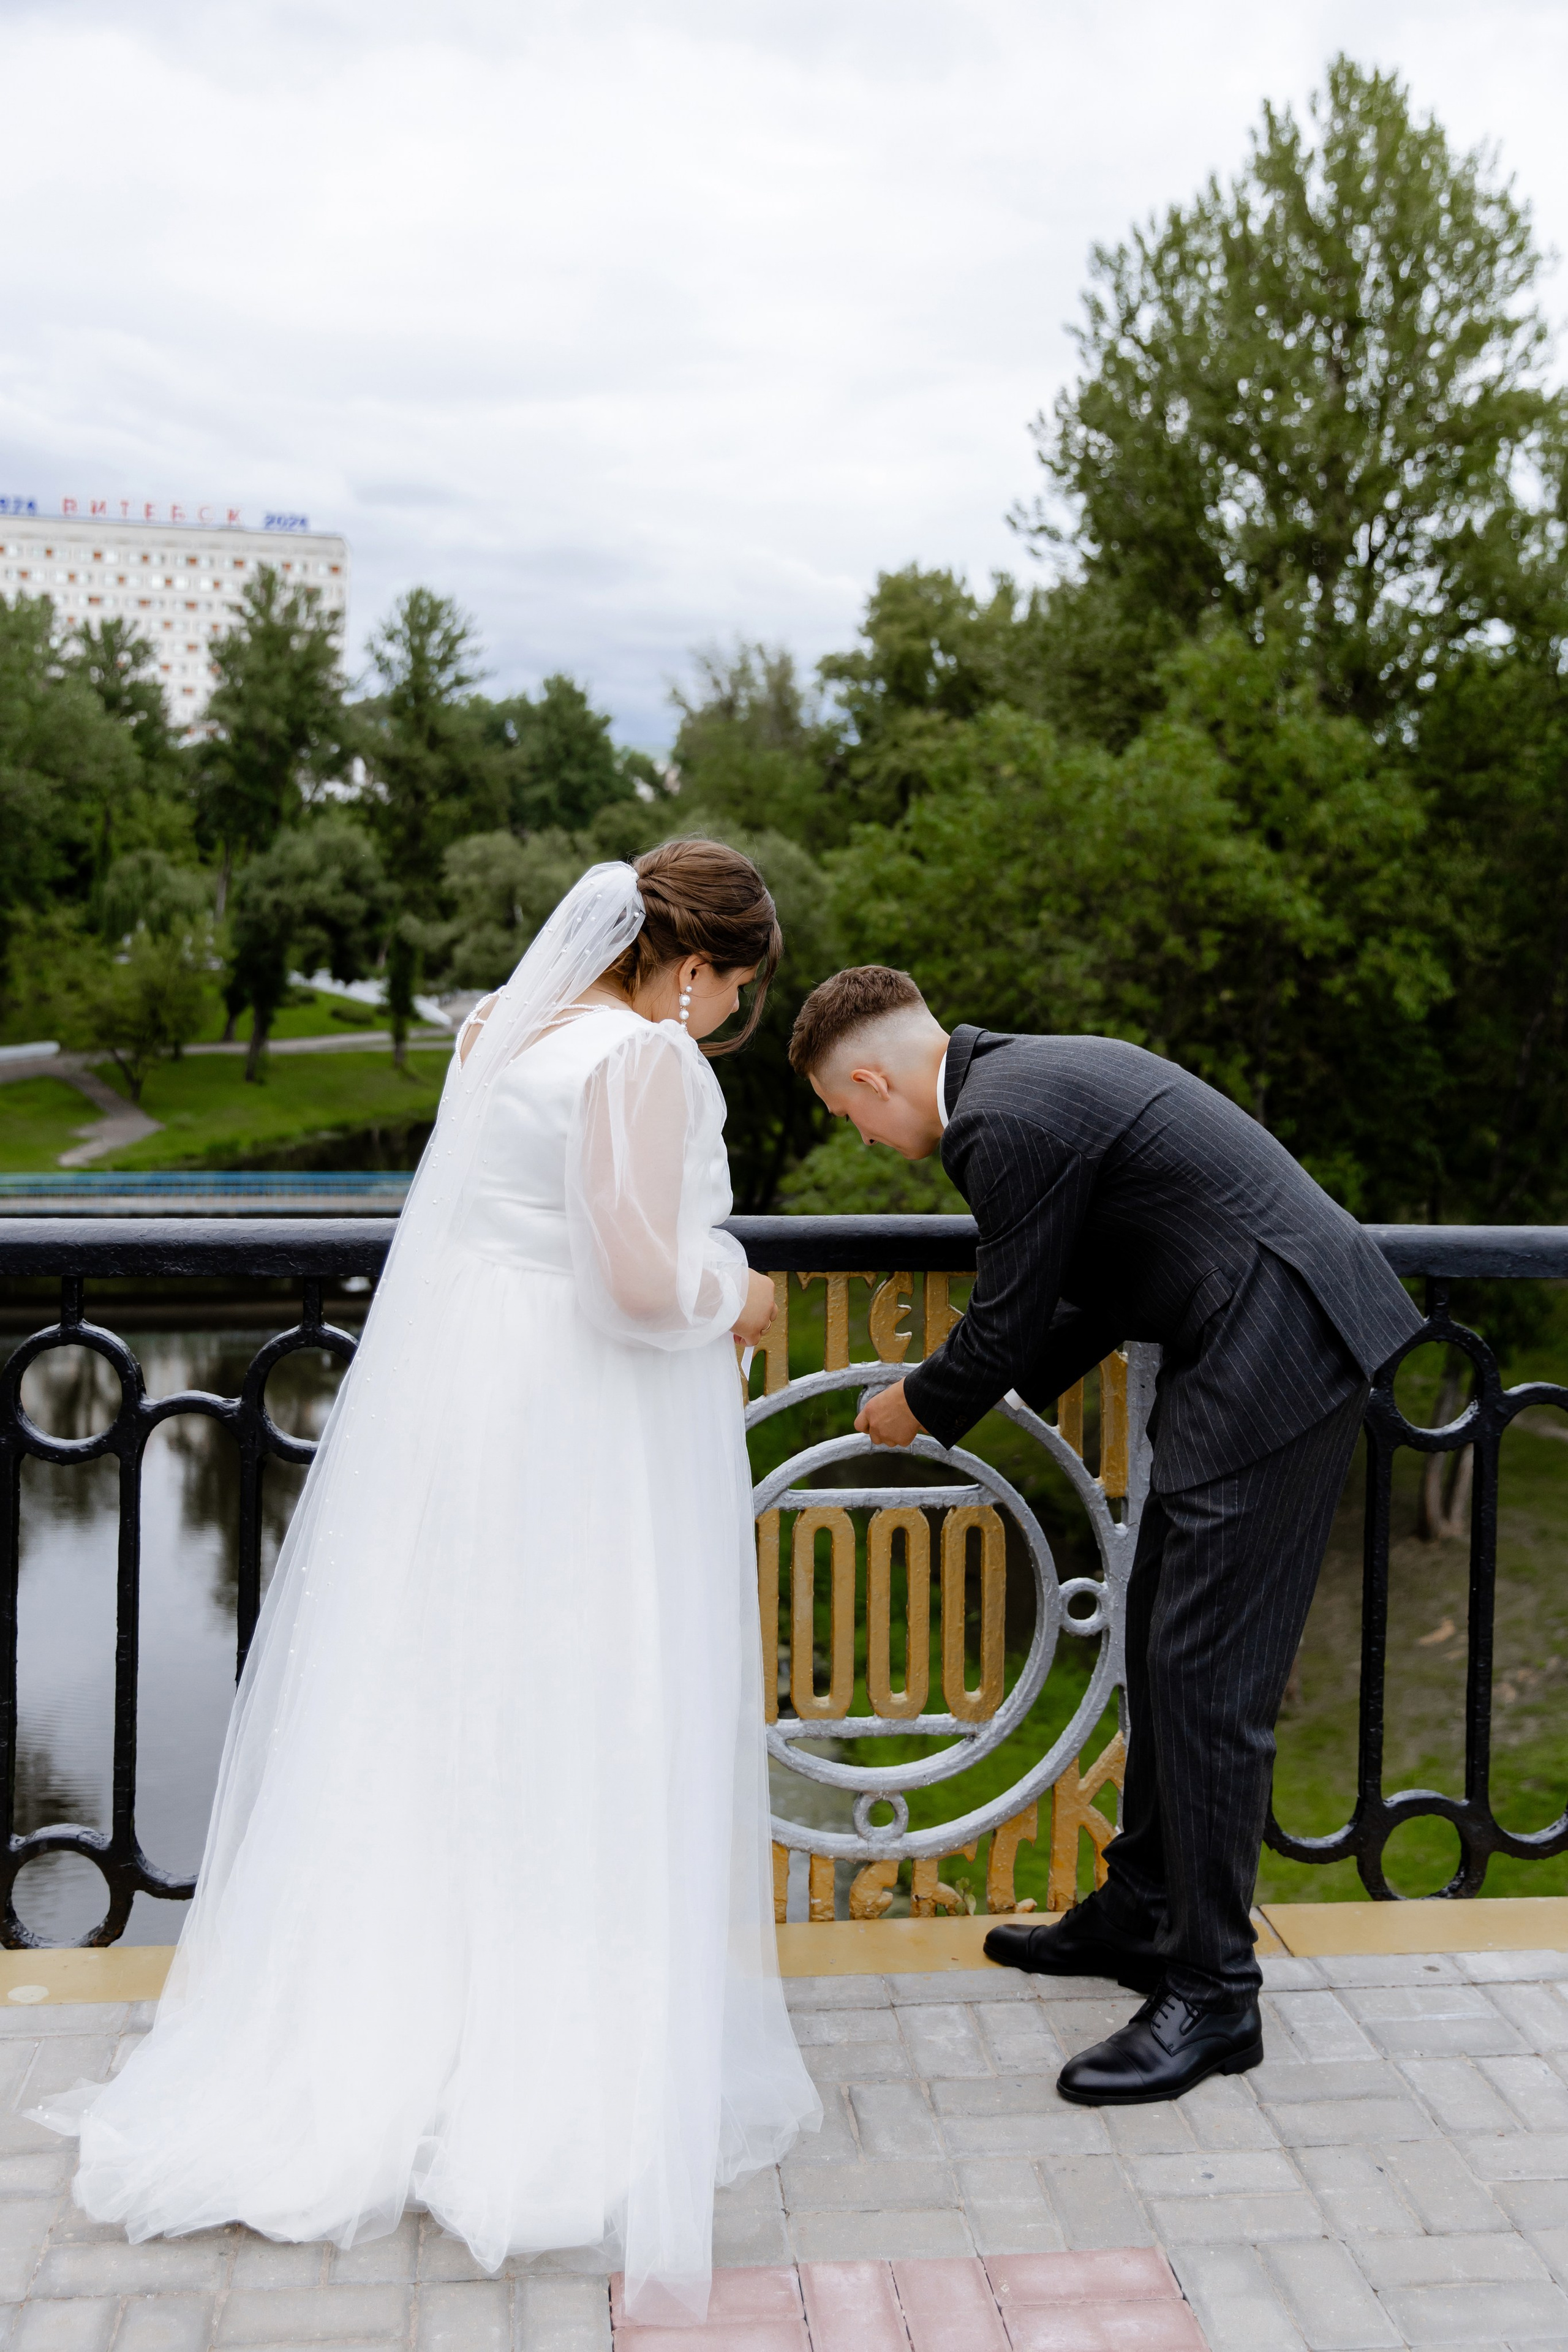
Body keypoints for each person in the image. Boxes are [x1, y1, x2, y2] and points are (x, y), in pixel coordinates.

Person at [36, 845, 820, 2321]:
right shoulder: (642, 1061)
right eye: (733, 995)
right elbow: (636, 1283)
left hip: (474, 1408)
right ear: (701, 967)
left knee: (450, 1704)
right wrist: (742, 1291)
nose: (722, 1022)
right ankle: (543, 2048)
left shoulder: (499, 1029)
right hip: (589, 1416)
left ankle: (407, 2019)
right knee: (583, 1707)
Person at [788, 965, 1421, 2107]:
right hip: (1252, 1340)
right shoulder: (1021, 1080)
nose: (869, 1140)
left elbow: (1011, 1312)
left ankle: (1216, 1995)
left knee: (1206, 1678)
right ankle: (1143, 1911)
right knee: (1158, 1633)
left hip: (1277, 1346)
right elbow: (1082, 1292)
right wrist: (967, 1390)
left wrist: (916, 1410)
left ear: (875, 1079)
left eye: (852, 1116)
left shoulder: (995, 1121)